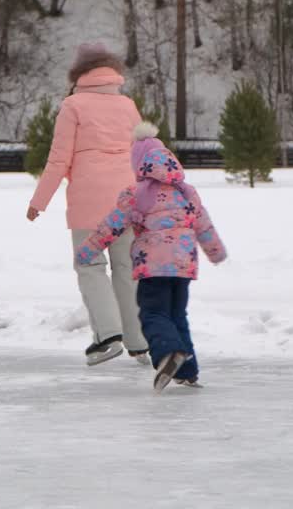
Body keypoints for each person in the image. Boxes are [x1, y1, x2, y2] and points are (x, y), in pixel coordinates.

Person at [76, 122, 227, 393]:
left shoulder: (136, 195)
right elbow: (204, 225)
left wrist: (87, 251)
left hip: (153, 267)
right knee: (177, 316)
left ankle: (169, 354)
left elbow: (111, 227)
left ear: (139, 165)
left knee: (153, 313)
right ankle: (188, 372)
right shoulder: (187, 192)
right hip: (183, 266)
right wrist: (216, 252)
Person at [27, 43, 149, 366]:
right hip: (127, 201)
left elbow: (58, 161)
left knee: (91, 266)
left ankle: (108, 336)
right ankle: (139, 341)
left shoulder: (73, 106)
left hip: (89, 201)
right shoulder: (127, 105)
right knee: (127, 270)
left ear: (79, 73)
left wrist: (39, 202)